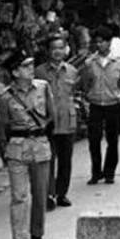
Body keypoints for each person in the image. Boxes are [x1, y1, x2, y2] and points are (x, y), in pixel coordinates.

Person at [0, 50, 55, 239]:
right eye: (25, 66)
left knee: (40, 193)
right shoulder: (5, 97)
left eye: (31, 65)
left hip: (39, 144)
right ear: (15, 72)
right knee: (19, 195)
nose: (31, 69)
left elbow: (51, 115)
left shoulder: (43, 87)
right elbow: (4, 124)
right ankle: (19, 238)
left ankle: (37, 233)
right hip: (18, 146)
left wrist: (40, 133)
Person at [78, 25, 120, 185]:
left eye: (102, 42)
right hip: (95, 103)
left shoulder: (119, 63)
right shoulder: (90, 63)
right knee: (94, 139)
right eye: (97, 42)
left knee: (112, 139)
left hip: (112, 103)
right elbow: (85, 83)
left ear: (109, 43)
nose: (99, 45)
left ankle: (110, 172)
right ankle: (96, 172)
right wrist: (88, 95)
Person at [35, 35, 78, 210]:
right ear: (48, 51)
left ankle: (62, 193)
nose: (58, 51)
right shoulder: (39, 72)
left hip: (67, 121)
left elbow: (75, 93)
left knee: (66, 160)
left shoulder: (72, 71)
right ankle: (49, 194)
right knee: (48, 160)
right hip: (47, 122)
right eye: (54, 48)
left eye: (61, 47)